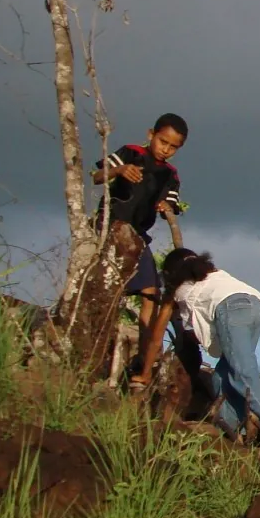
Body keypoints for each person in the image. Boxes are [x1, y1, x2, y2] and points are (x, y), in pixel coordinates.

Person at [135, 248, 260, 474]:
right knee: (222, 377)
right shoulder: (214, 276)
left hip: (231, 307)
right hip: (257, 304)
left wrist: (144, 374)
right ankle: (231, 437)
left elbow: (156, 337)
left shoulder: (176, 289)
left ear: (170, 272)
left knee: (242, 372)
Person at [91, 115, 188, 373]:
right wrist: (119, 170)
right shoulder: (131, 153)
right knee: (107, 290)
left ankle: (143, 358)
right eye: (162, 142)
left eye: (173, 147)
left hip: (138, 236)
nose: (165, 149)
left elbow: (171, 203)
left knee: (151, 293)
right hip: (110, 227)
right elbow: (96, 176)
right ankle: (97, 342)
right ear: (150, 135)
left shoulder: (170, 174)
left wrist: (166, 207)